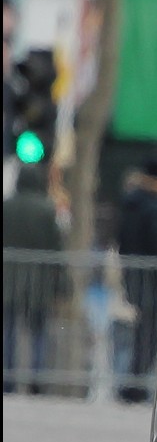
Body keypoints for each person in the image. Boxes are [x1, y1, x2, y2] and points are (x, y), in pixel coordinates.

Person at [117, 157, 157, 403]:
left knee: (142, 331)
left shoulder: (132, 202)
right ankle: (136, 384)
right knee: (152, 333)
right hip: (155, 280)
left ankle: (134, 382)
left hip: (135, 276)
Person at [3, 162, 65, 393]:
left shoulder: (6, 207)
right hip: (39, 281)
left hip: (8, 279)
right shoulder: (47, 210)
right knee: (38, 331)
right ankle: (36, 379)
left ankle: (7, 378)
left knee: (7, 330)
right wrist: (62, 284)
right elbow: (56, 248)